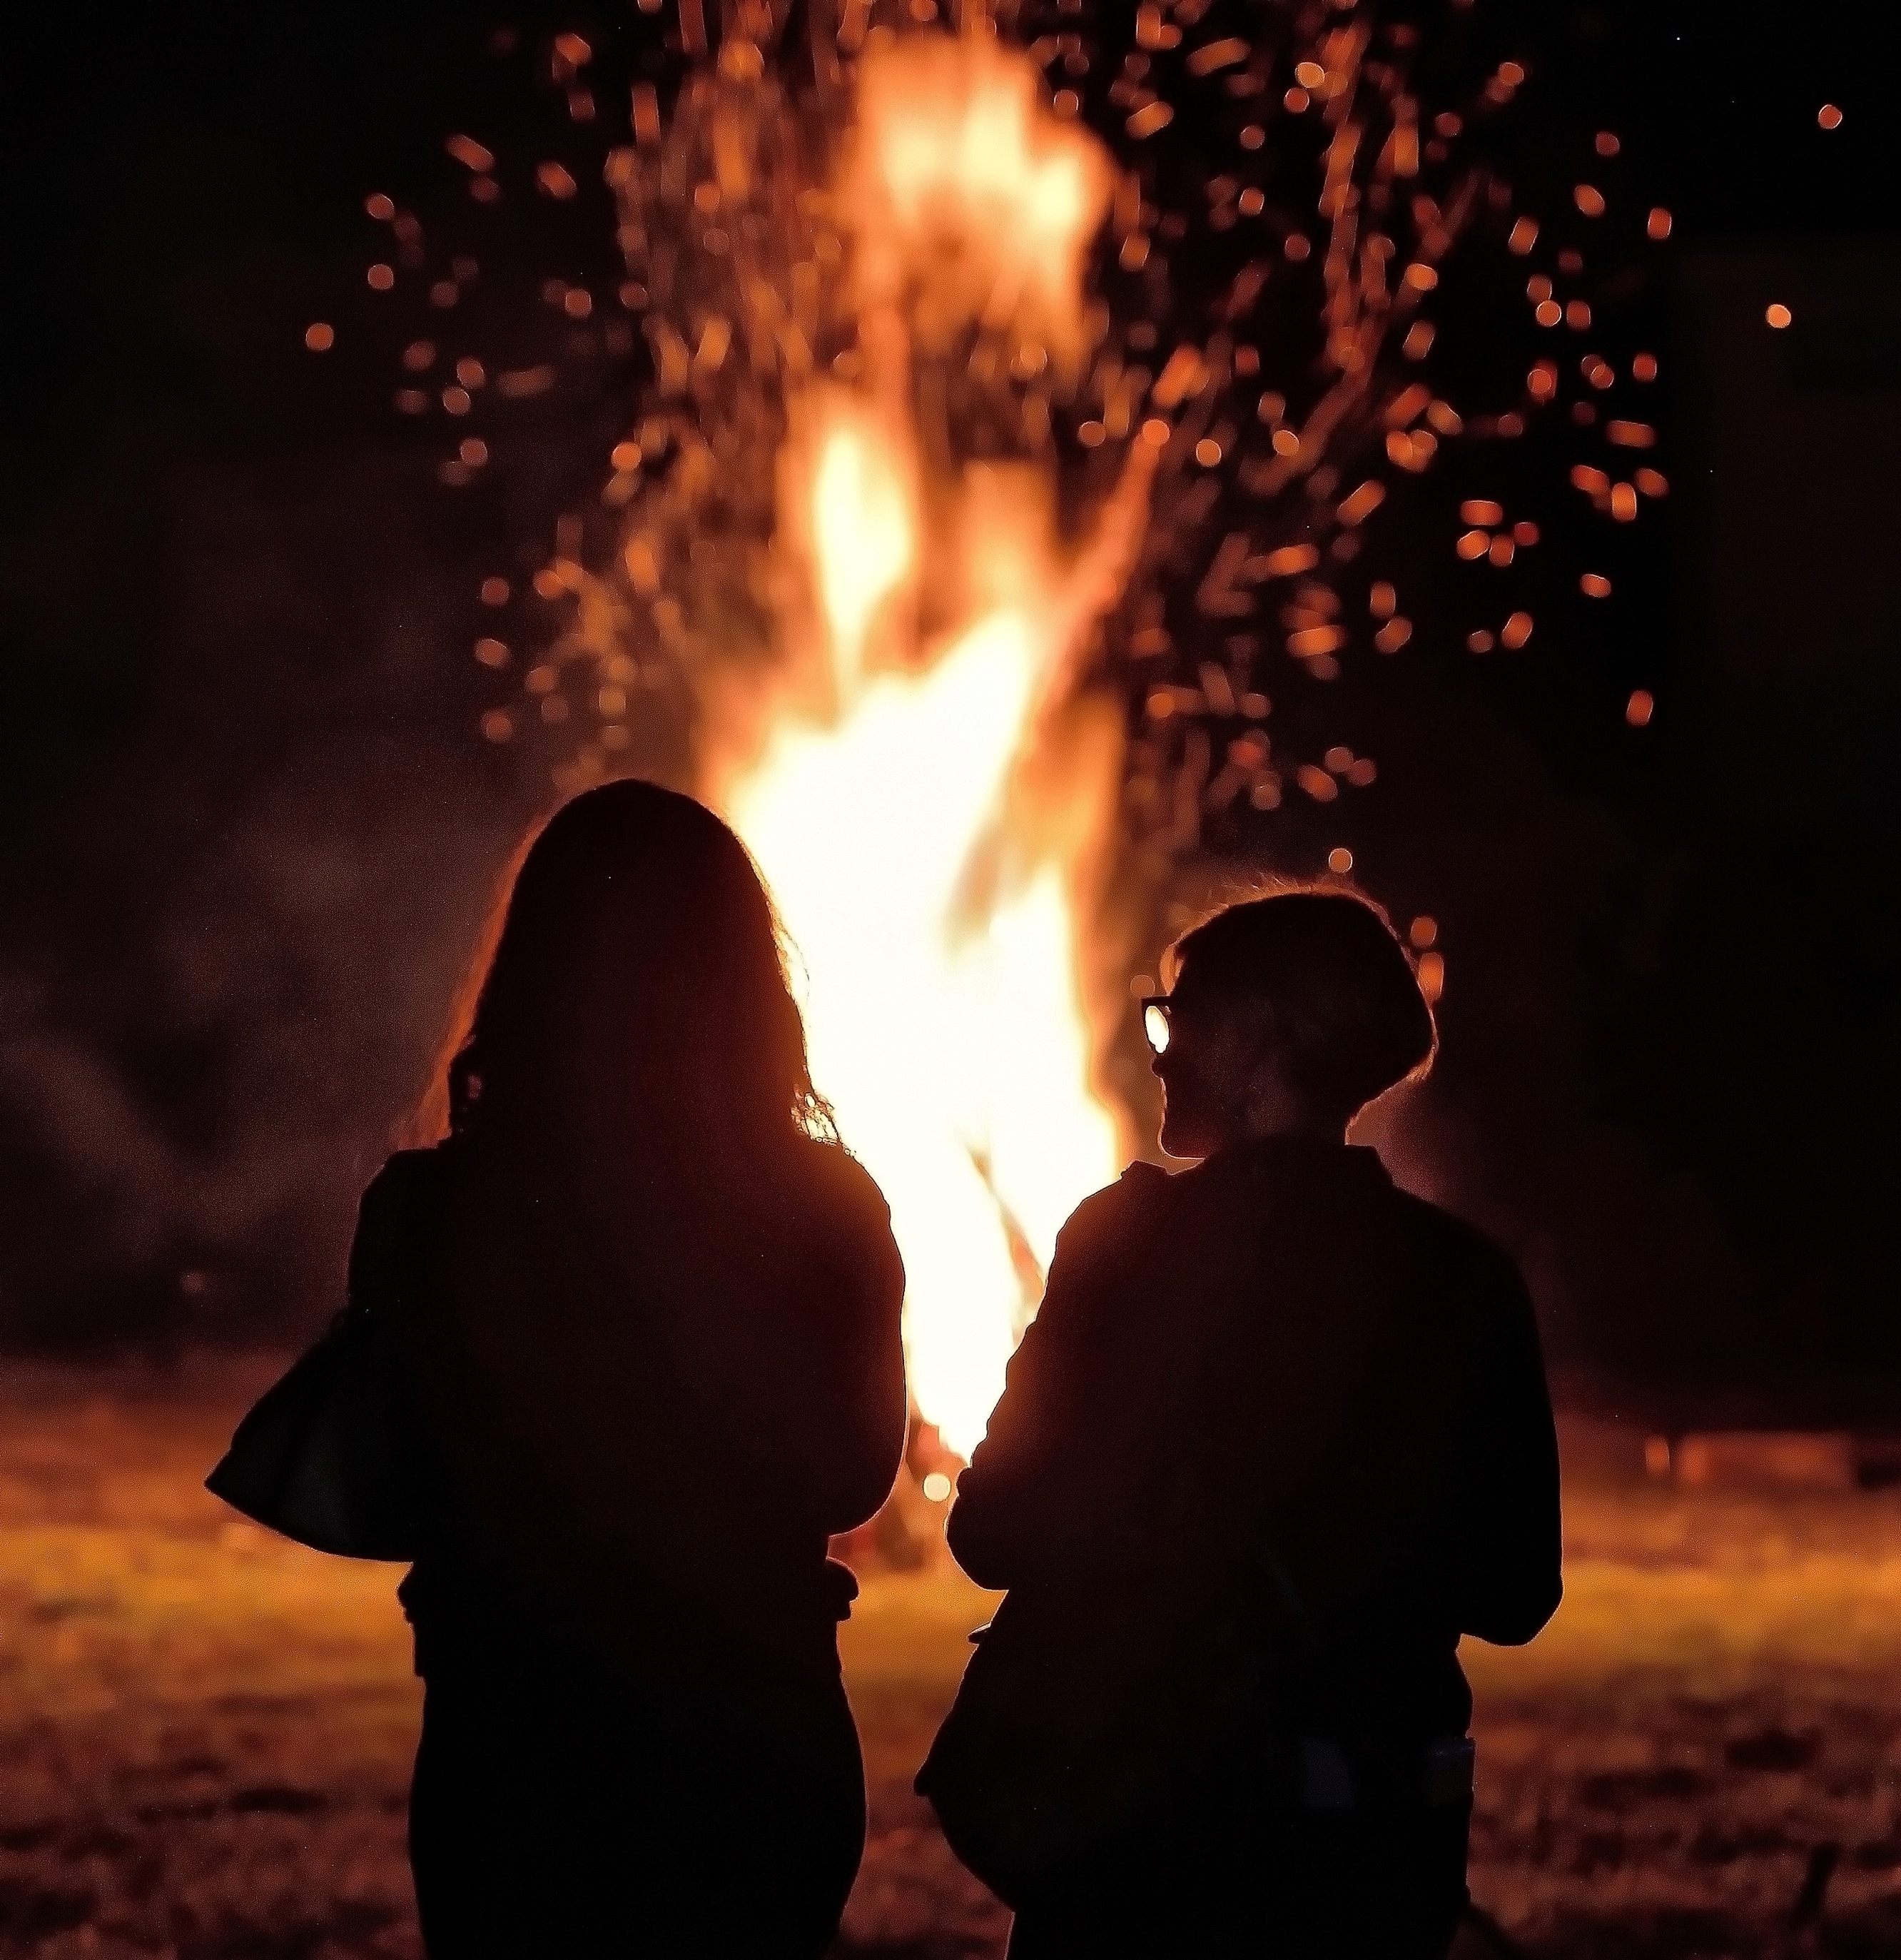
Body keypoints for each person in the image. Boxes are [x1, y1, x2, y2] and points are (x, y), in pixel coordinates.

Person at [937, 887, 1562, 1959]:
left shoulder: (1125, 1243)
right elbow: (1515, 1591)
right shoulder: (1465, 1281)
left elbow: (989, 1529)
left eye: (1181, 1014)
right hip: (1357, 1854)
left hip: (1128, 1847)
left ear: (1264, 1035)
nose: (1162, 1049)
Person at [355, 781, 908, 1957]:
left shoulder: (429, 1209)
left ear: (536, 966)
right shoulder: (825, 1206)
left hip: (514, 1734)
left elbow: (392, 1467)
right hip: (754, 1734)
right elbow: (855, 1477)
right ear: (747, 978)